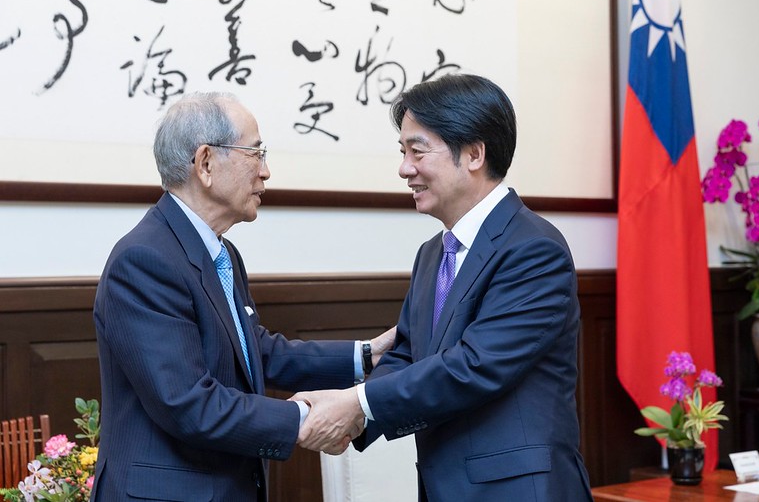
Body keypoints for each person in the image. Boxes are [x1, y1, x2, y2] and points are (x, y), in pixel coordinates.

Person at [293, 74, 593, 501]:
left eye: (417, 151)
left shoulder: (534, 248)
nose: (404, 169)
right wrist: (357, 417)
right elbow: (408, 354)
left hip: (519, 490)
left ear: (473, 154)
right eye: (403, 152)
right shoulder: (433, 252)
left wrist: (357, 405)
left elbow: (475, 366)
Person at [91, 92, 394, 501]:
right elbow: (187, 403)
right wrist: (304, 418)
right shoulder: (145, 260)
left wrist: (366, 355)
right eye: (255, 153)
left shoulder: (219, 251)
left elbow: (257, 353)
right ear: (206, 164)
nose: (266, 172)